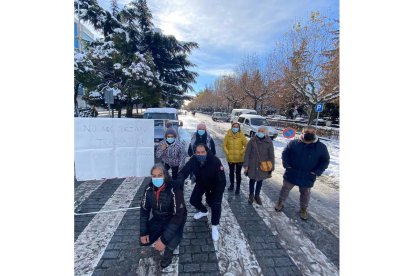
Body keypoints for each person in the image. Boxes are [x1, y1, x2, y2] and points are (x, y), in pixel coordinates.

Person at [274, 125, 330, 220]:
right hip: (291, 173)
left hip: (308, 176)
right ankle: (280, 202)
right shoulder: (293, 143)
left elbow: (325, 160)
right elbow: (285, 153)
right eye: (307, 132)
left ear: (315, 134)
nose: (310, 134)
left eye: (312, 133)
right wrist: (287, 165)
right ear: (302, 133)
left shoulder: (321, 147)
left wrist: (316, 172)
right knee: (285, 189)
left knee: (305, 194)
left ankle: (303, 209)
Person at [139, 164, 187, 268]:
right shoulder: (148, 189)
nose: (156, 178)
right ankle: (161, 234)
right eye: (154, 176)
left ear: (165, 175)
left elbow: (178, 216)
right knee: (144, 240)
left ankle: (168, 253)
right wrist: (143, 231)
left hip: (175, 219)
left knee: (171, 241)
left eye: (159, 175)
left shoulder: (174, 189)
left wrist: (163, 240)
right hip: (159, 218)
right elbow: (144, 210)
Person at [177, 143, 226, 241]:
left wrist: (217, 194)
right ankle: (204, 211)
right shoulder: (193, 160)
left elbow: (222, 180)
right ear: (195, 153)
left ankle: (215, 226)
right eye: (198, 152)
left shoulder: (215, 161)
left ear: (206, 151)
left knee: (215, 204)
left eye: (202, 152)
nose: (200, 154)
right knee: (193, 200)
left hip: (215, 185)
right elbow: (185, 171)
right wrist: (178, 180)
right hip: (202, 183)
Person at [243, 126, 275, 205]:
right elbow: (247, 153)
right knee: (252, 180)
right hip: (252, 165)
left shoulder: (269, 141)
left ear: (266, 133)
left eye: (262, 131)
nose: (260, 132)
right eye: (259, 130)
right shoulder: (252, 140)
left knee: (260, 181)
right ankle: (251, 195)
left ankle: (257, 195)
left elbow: (271, 155)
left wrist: (272, 166)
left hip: (263, 166)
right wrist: (246, 165)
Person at [223, 122, 248, 194]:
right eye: (234, 126)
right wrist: (227, 152)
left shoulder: (241, 135)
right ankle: (232, 185)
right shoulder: (228, 135)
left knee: (238, 174)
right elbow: (224, 145)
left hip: (239, 158)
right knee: (231, 173)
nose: (235, 128)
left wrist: (241, 152)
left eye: (237, 127)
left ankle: (238, 187)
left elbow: (246, 145)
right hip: (230, 158)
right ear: (231, 127)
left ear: (239, 128)